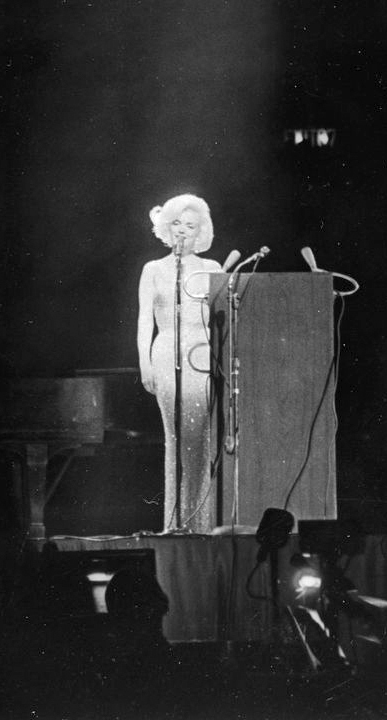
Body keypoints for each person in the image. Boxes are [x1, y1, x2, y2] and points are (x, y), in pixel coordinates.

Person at [137, 194, 223, 533]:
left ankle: (202, 522)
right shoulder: (153, 270)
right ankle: (175, 521)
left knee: (204, 437)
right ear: (166, 228)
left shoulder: (213, 268)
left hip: (202, 354)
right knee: (176, 436)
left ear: (201, 230)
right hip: (167, 351)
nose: (183, 231)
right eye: (177, 224)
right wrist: (144, 363)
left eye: (191, 225)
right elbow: (145, 320)